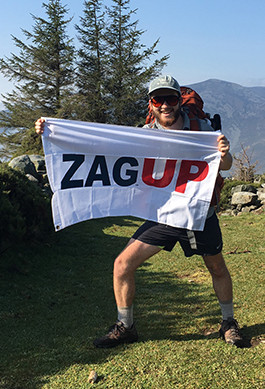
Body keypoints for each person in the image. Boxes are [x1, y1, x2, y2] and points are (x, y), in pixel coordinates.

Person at [34, 75, 245, 348]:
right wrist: (50, 130)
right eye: (159, 99)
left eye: (170, 99)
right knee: (122, 265)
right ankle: (126, 326)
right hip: (164, 215)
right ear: (151, 104)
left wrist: (224, 151)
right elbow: (99, 146)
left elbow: (225, 165)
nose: (165, 105)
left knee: (216, 267)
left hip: (198, 213)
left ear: (179, 100)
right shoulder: (144, 134)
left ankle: (228, 322)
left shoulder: (201, 129)